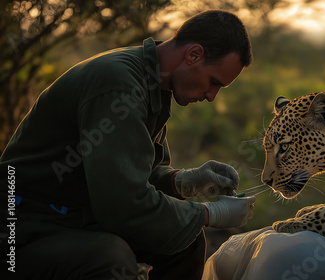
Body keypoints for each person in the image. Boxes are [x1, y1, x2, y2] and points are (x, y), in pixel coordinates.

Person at [0, 9, 255, 280]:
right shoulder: (119, 85)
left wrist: (182, 181)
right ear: (193, 55)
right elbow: (122, 205)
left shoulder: (153, 83)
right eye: (213, 82)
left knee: (186, 242)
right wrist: (210, 213)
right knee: (109, 257)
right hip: (21, 228)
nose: (211, 96)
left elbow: (139, 173)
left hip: (72, 215)